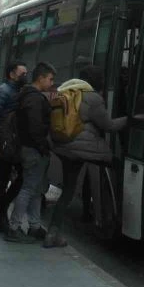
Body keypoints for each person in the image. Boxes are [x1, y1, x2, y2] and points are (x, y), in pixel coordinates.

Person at [44, 66, 127, 248]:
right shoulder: (93, 98)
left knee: (68, 190)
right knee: (118, 165)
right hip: (83, 149)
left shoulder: (64, 92)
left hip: (63, 147)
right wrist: (130, 119)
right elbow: (108, 126)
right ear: (95, 81)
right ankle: (117, 213)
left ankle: (53, 232)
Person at [5, 62, 55, 243]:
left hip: (28, 148)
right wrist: (43, 147)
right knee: (28, 189)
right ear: (41, 78)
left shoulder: (27, 95)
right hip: (33, 150)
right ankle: (14, 226)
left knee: (35, 190)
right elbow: (35, 128)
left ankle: (34, 226)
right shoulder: (34, 99)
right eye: (50, 79)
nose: (52, 83)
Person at [0, 60, 28, 232]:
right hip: (4, 144)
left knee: (17, 178)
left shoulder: (17, 91)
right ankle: (1, 218)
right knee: (3, 179)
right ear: (12, 74)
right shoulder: (3, 91)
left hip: (12, 143)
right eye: (22, 74)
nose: (25, 76)